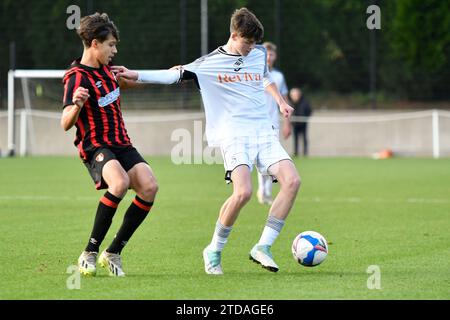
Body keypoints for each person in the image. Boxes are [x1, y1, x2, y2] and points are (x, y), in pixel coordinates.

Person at [113, 7, 301, 275]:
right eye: (247, 42)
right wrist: (138, 74)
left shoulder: (258, 55)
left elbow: (265, 77)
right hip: (234, 135)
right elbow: (174, 74)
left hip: (263, 131)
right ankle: (213, 249)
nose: (251, 48)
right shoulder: (210, 63)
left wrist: (280, 101)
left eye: (254, 43)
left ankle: (263, 246)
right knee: (243, 193)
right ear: (234, 35)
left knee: (292, 181)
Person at [61, 13, 158, 277]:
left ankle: (113, 252)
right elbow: (65, 123)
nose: (114, 51)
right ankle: (89, 252)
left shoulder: (108, 71)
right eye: (111, 45)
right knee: (119, 183)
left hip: (121, 143)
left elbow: (128, 84)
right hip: (96, 146)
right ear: (95, 44)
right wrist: (77, 105)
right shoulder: (76, 77)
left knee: (149, 186)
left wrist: (156, 77)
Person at [256, 41, 290, 206]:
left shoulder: (278, 77)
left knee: (272, 160)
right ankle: (262, 190)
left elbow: (284, 100)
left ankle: (266, 192)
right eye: (266, 53)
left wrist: (287, 123)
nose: (268, 57)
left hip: (273, 123)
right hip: (255, 124)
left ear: (275, 56)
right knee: (260, 160)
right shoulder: (252, 73)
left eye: (271, 54)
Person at [290, 87, 312, 156]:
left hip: (303, 123)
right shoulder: (291, 103)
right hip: (295, 124)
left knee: (304, 138)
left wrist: (305, 118)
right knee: (295, 139)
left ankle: (305, 153)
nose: (294, 97)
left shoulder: (305, 102)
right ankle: (296, 153)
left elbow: (309, 111)